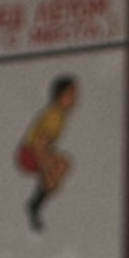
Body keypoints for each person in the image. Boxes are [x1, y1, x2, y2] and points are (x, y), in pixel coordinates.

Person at [16, 73, 78, 229]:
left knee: (60, 169)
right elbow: (39, 144)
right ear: (61, 96)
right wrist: (47, 169)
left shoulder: (59, 116)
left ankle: (35, 203)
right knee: (58, 170)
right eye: (71, 95)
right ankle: (35, 204)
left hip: (34, 152)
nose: (75, 99)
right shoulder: (54, 116)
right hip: (29, 154)